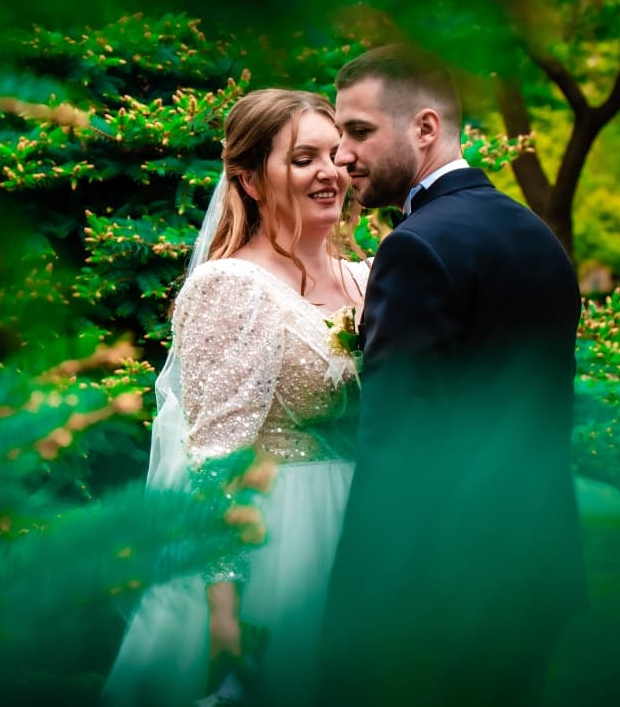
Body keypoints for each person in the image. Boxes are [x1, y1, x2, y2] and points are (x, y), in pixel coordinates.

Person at [318, 43, 587, 707]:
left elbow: (396, 444)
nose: (342, 155)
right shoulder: (534, 234)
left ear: (425, 128)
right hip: (538, 570)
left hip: (442, 590)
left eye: (359, 131)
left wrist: (353, 610)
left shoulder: (416, 246)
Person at [102, 88, 370, 706]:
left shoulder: (370, 276)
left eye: (334, 154)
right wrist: (224, 608)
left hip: (360, 528)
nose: (330, 172)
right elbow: (216, 458)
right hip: (276, 534)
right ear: (249, 181)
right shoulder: (230, 288)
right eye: (303, 159)